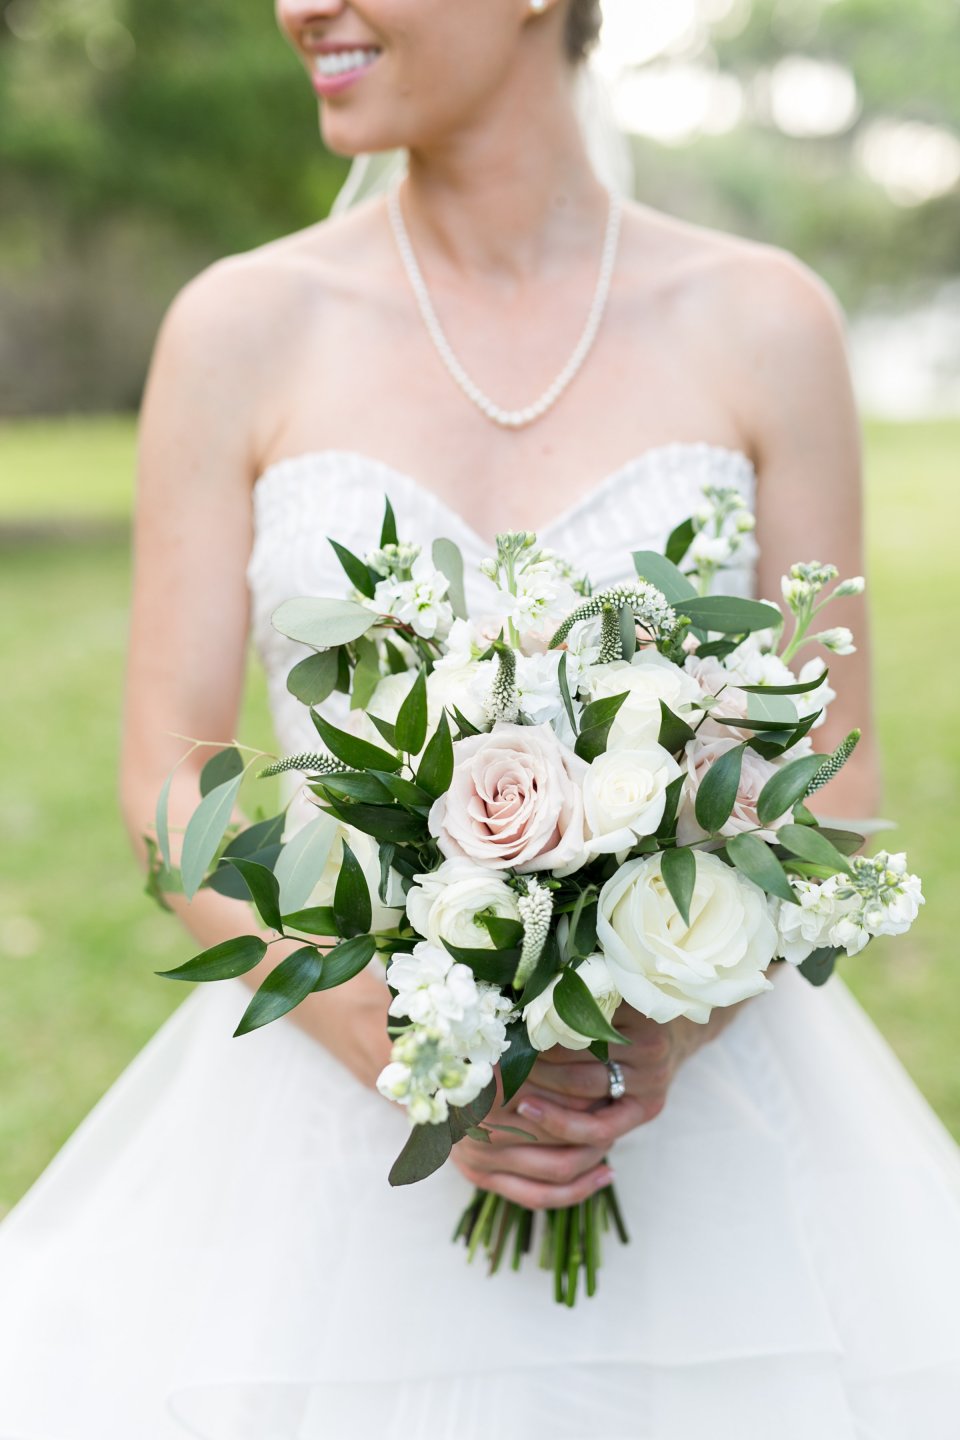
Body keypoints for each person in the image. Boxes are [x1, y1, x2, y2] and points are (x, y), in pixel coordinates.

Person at [1, 2, 958, 1436]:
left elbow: (836, 764)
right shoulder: (239, 328)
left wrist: (653, 1027)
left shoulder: (767, 322)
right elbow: (167, 776)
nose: (299, 7)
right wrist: (403, 1040)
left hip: (709, 1133)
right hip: (327, 1125)